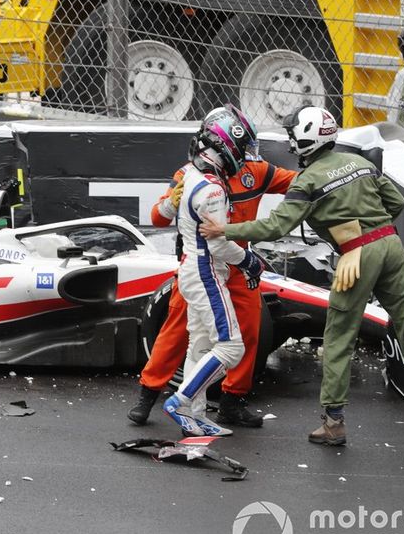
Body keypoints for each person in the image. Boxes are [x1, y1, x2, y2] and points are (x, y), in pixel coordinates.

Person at [199, 105, 404, 445]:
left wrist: (224, 229)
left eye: (294, 137)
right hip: (391, 246)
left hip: (356, 257)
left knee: (338, 338)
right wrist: (369, 227)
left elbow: (275, 227)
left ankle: (334, 423)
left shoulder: (307, 181)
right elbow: (394, 204)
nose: (291, 143)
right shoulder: (364, 164)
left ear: (306, 141)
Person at [128, 107, 298, 431]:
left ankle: (232, 402)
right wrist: (171, 203)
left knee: (247, 332)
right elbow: (157, 218)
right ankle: (148, 393)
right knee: (177, 330)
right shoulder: (189, 175)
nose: (248, 154)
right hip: (204, 264)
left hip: (237, 268)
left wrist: (329, 176)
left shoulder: (257, 171)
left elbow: (298, 183)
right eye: (243, 146)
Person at [158, 108, 266, 437]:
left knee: (201, 347)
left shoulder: (191, 173)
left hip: (193, 269)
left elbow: (165, 211)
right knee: (231, 347)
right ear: (226, 145)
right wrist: (250, 261)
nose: (245, 156)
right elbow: (218, 245)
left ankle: (196, 414)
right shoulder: (214, 189)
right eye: (242, 148)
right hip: (207, 272)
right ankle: (181, 400)